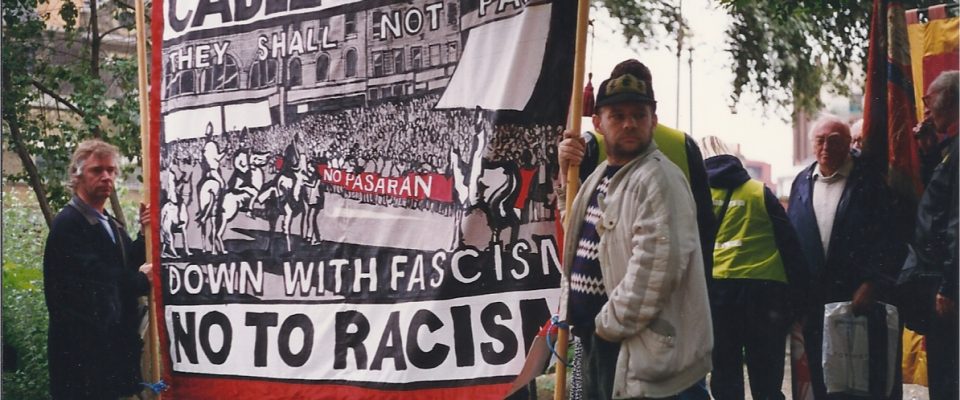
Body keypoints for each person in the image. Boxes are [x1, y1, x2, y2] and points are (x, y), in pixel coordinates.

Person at [561, 59, 716, 400]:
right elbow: (574, 232)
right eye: (618, 115)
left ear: (653, 121)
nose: (629, 124)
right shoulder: (602, 174)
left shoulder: (659, 179)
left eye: (639, 115)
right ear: (599, 122)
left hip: (635, 347)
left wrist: (605, 326)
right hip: (601, 343)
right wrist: (564, 174)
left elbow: (655, 270)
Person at [787, 115, 902, 400]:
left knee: (860, 385)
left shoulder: (870, 182)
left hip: (857, 300)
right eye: (820, 140)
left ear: (849, 144)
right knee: (820, 381)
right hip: (814, 305)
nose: (826, 146)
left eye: (835, 140)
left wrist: (874, 283)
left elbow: (892, 238)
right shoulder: (801, 182)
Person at [43, 139, 153, 399]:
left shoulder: (109, 223)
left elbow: (126, 263)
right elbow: (97, 279)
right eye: (97, 170)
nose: (106, 177)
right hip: (81, 357)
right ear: (77, 175)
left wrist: (143, 233)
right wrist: (140, 280)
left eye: (111, 170)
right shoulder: (68, 225)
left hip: (111, 353)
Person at [701, 136, 808, 400]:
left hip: (718, 294)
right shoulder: (758, 191)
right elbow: (790, 245)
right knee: (767, 377)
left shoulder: (698, 196)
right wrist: (802, 300)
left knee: (725, 374)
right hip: (766, 294)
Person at [898, 70, 958, 400]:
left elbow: (956, 225)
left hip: (949, 288)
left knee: (948, 375)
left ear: (948, 100)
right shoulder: (948, 150)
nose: (925, 108)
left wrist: (949, 287)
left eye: (929, 99)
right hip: (941, 282)